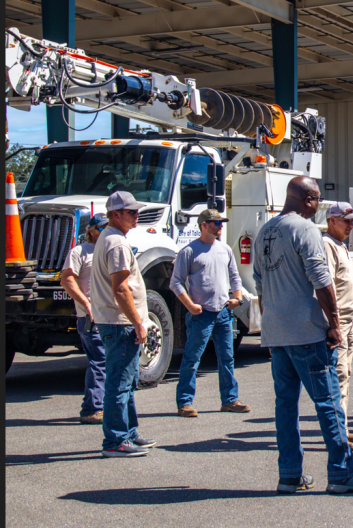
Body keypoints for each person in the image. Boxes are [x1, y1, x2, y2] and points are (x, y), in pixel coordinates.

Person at [254, 177, 353, 494]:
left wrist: (271, 319)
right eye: (317, 199)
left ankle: (290, 475)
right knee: (328, 402)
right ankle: (340, 474)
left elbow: (258, 283)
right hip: (305, 330)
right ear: (309, 199)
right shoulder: (305, 229)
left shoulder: (264, 231)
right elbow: (321, 279)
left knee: (285, 406)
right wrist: (334, 322)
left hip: (276, 331)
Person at [90, 191, 156, 457]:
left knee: (126, 381)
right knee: (119, 382)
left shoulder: (110, 238)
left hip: (116, 321)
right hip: (119, 323)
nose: (136, 215)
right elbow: (120, 289)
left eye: (136, 211)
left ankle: (127, 433)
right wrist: (138, 322)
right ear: (115, 215)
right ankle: (116, 440)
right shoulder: (116, 243)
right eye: (131, 212)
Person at [171, 208, 249, 418]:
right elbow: (176, 282)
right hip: (201, 314)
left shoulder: (225, 250)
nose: (220, 226)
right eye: (216, 223)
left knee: (227, 357)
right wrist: (190, 306)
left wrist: (238, 298)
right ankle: (185, 403)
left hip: (223, 312)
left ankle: (230, 400)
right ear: (203, 225)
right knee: (192, 358)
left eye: (221, 223)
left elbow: (235, 277)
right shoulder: (189, 251)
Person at [323, 201, 353, 447]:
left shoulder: (340, 245)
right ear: (331, 220)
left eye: (352, 221)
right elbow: (325, 285)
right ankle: (336, 434)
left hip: (349, 319)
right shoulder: (327, 245)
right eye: (346, 220)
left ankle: (342, 428)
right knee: (337, 377)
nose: (351, 225)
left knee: (345, 375)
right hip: (339, 321)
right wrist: (333, 323)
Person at [61, 213, 109, 425]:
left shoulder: (109, 249)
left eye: (108, 227)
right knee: (99, 360)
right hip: (90, 317)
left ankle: (101, 405)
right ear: (91, 231)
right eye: (101, 228)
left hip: (109, 315)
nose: (105, 231)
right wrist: (87, 304)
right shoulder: (80, 251)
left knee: (107, 360)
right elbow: (67, 280)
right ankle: (91, 408)